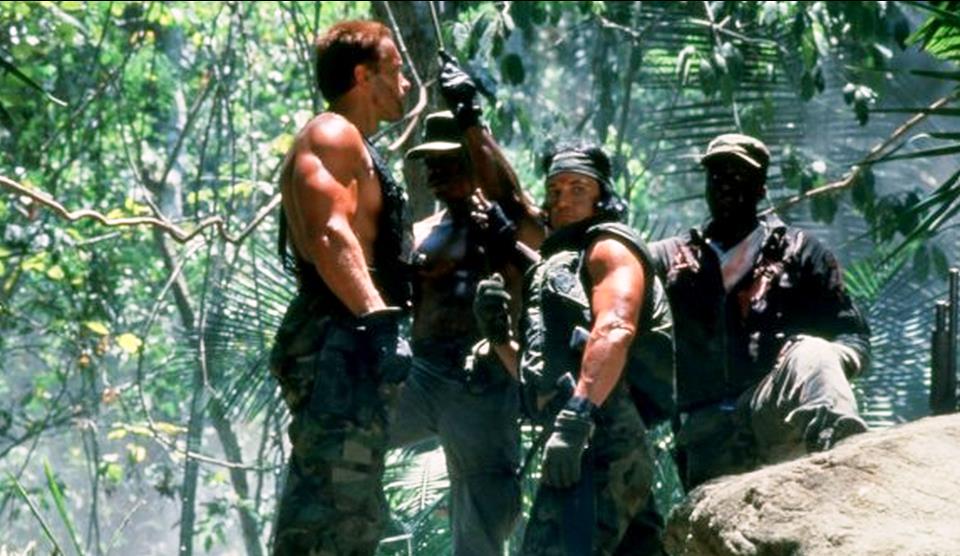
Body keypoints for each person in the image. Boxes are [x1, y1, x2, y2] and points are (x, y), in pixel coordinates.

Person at [476, 142, 673, 555]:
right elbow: (544, 377)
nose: (563, 200)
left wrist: (575, 419)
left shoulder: (609, 247)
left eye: (577, 188)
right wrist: (500, 339)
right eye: (555, 190)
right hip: (590, 437)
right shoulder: (558, 260)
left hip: (599, 437)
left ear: (601, 197)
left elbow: (616, 327)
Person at [386, 53, 545, 556]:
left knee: (480, 516)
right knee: (349, 432)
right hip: (422, 374)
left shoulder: (504, 225)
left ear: (471, 160)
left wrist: (469, 114)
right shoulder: (421, 233)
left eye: (447, 161)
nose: (435, 172)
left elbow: (515, 204)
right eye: (429, 163)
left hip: (481, 379)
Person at [649, 133, 871, 490]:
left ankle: (842, 454)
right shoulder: (669, 258)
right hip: (707, 433)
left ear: (760, 189)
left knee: (814, 351)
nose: (726, 185)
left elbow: (853, 337)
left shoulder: (802, 252)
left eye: (739, 176)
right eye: (717, 176)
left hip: (776, 417)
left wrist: (812, 360)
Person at [267, 20, 413, 555]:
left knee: (345, 506)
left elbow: (369, 240)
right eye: (395, 70)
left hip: (347, 341)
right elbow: (329, 234)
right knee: (333, 507)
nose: (405, 83)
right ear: (362, 76)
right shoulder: (333, 133)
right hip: (340, 340)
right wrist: (378, 319)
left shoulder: (355, 146)